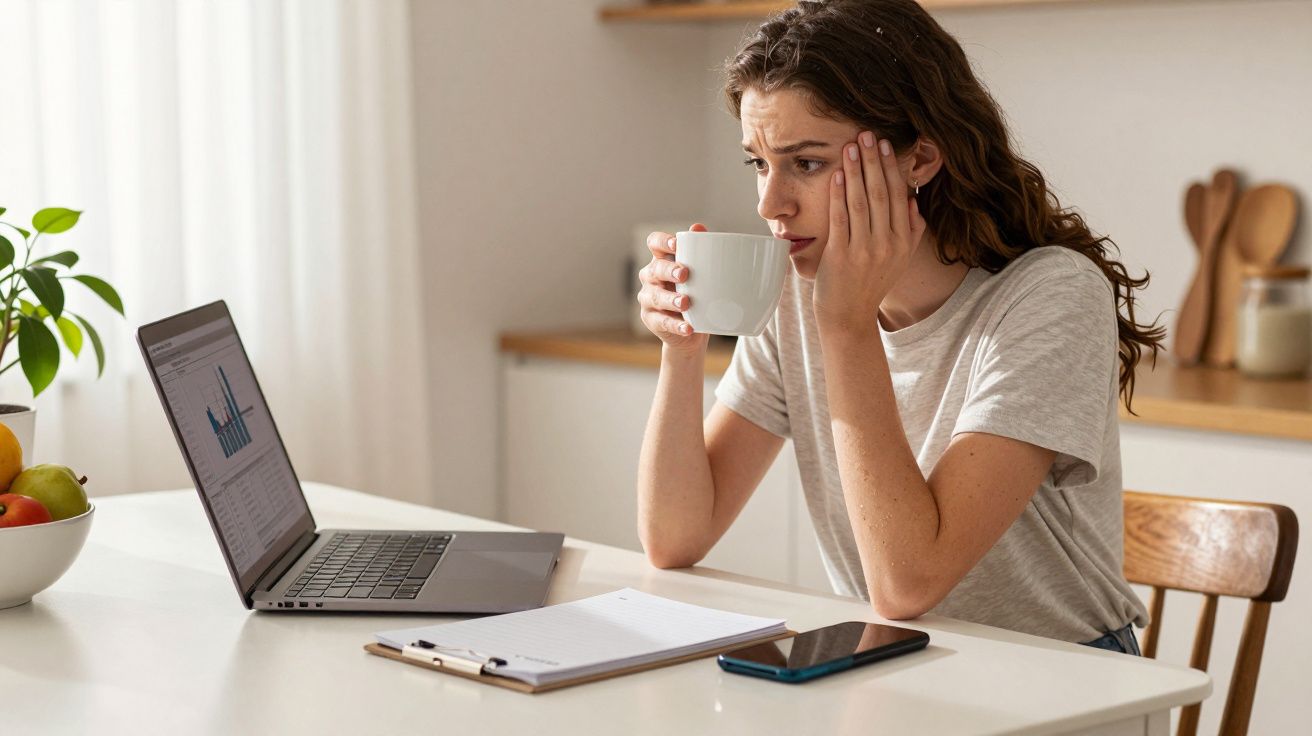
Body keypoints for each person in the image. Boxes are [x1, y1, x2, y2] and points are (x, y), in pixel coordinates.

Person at [634, 0, 1162, 656]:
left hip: (1063, 672)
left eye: (806, 163)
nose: (771, 204)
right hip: (895, 660)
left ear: (921, 158)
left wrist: (847, 327)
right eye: (759, 163)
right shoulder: (800, 292)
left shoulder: (1050, 295)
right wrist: (682, 349)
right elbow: (674, 539)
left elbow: (908, 583)